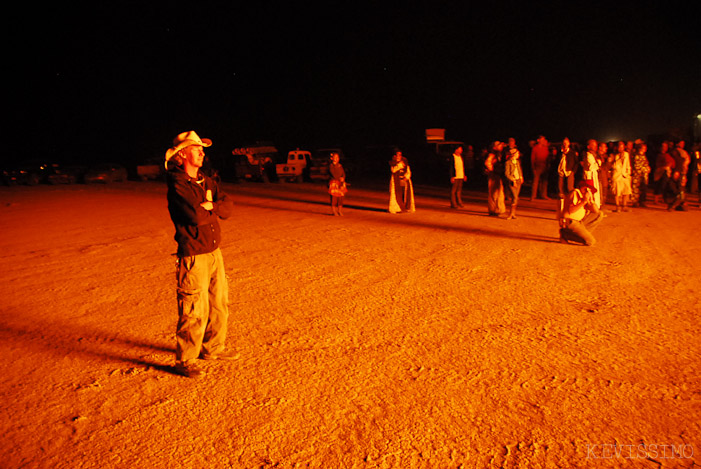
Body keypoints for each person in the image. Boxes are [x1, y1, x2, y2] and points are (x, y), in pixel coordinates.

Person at [165, 130, 237, 378]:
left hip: (214, 251)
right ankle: (185, 359)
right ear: (183, 154)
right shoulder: (178, 184)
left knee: (219, 304)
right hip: (193, 255)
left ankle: (213, 348)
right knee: (194, 308)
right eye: (197, 149)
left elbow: (228, 207)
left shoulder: (206, 181)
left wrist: (212, 206)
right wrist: (208, 209)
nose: (202, 153)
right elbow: (194, 217)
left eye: (202, 149)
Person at [559, 179, 605, 246]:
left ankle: (578, 234)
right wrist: (584, 201)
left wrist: (591, 200)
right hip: (569, 222)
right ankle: (565, 235)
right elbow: (571, 210)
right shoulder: (575, 193)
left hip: (579, 222)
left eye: (588, 189)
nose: (586, 190)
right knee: (590, 241)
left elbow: (596, 211)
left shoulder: (583, 196)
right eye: (585, 188)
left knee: (600, 214)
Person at [388, 148, 415, 213]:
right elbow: (393, 170)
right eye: (398, 155)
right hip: (396, 180)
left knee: (405, 194)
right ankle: (397, 208)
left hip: (404, 180)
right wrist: (399, 165)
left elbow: (408, 170)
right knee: (397, 194)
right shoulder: (393, 162)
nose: (399, 156)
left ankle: (405, 207)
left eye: (400, 155)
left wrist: (407, 176)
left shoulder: (404, 161)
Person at [504, 138, 524, 220]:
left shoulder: (517, 162)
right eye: (517, 153)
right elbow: (507, 173)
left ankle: (513, 213)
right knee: (515, 197)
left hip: (518, 180)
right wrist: (513, 180)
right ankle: (510, 213)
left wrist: (521, 177)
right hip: (513, 181)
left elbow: (519, 170)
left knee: (516, 197)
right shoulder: (508, 163)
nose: (518, 154)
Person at [485, 141, 506, 216]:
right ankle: (493, 209)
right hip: (494, 175)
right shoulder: (492, 154)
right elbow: (487, 163)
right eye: (499, 145)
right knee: (493, 193)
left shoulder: (499, 154)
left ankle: (500, 208)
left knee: (500, 192)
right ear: (494, 147)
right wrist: (492, 170)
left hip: (498, 175)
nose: (501, 146)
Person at [611, 141, 632, 212]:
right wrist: (619, 159)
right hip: (617, 175)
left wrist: (628, 172)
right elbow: (613, 166)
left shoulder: (626, 154)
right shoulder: (614, 155)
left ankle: (624, 205)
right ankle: (617, 206)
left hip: (625, 175)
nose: (621, 148)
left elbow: (628, 164)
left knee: (626, 190)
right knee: (617, 191)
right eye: (620, 147)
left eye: (622, 147)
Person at [581, 139, 602, 208]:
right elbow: (590, 167)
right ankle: (591, 207)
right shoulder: (587, 155)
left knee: (595, 192)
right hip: (590, 177)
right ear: (588, 146)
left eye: (596, 145)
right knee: (591, 192)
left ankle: (595, 207)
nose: (595, 147)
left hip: (594, 176)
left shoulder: (594, 155)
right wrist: (598, 163)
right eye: (593, 145)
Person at [630, 141, 651, 207]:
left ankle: (642, 201)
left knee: (643, 189)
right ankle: (635, 202)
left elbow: (646, 164)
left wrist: (647, 168)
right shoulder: (637, 156)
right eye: (643, 148)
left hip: (644, 176)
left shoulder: (644, 156)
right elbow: (637, 166)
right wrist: (645, 169)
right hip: (637, 175)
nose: (645, 149)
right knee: (636, 189)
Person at [530, 135, 550, 200]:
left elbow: (547, 158)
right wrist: (533, 168)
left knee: (544, 182)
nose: (543, 141)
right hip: (537, 167)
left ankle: (544, 195)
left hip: (544, 167)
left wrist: (548, 165)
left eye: (543, 139)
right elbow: (532, 159)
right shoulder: (535, 148)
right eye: (542, 139)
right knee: (535, 182)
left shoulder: (545, 148)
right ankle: (533, 196)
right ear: (538, 140)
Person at [328, 151, 347, 216]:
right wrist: (339, 178)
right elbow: (333, 174)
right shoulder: (331, 166)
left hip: (340, 183)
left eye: (337, 157)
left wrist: (343, 178)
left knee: (341, 198)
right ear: (332, 158)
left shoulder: (340, 165)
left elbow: (343, 173)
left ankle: (340, 211)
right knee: (334, 198)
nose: (336, 158)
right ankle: (334, 211)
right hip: (334, 183)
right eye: (335, 157)